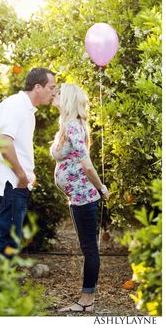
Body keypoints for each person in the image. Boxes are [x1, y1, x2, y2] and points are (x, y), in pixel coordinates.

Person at [0, 67, 56, 258]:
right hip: (12, 183)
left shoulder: (27, 110)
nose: (54, 92)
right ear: (37, 87)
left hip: (19, 183)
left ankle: (0, 284)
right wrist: (20, 174)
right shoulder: (14, 105)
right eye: (52, 87)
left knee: (11, 240)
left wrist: (27, 174)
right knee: (8, 240)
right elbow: (3, 142)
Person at [50, 83, 109, 312]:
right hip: (78, 196)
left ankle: (87, 301)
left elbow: (87, 165)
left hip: (84, 196)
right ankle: (87, 299)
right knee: (89, 247)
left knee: (89, 249)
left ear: (68, 100)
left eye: (59, 93)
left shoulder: (73, 126)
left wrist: (102, 189)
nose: (55, 94)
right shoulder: (68, 124)